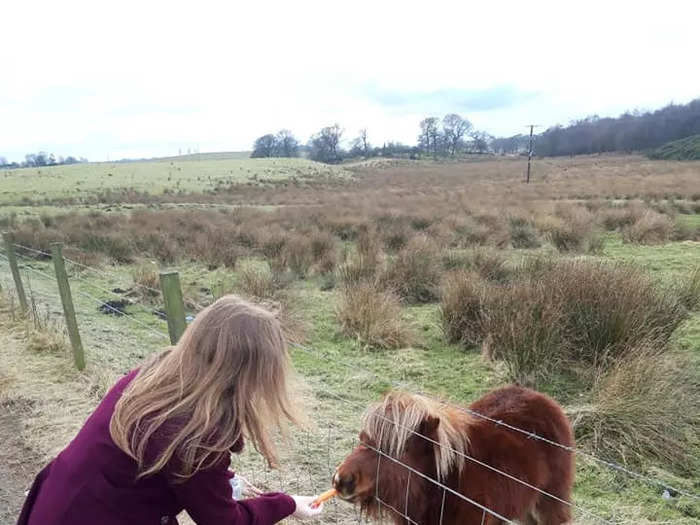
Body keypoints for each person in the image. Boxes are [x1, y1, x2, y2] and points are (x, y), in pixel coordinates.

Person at [18, 295, 324, 525]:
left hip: (63, 501)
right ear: (248, 373)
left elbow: (173, 461)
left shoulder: (157, 377)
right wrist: (286, 504)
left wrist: (225, 478)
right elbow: (223, 521)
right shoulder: (197, 431)